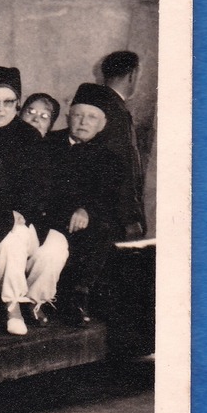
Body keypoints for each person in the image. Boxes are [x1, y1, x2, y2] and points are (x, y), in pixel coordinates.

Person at [0, 66, 65, 334]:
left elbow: (39, 190)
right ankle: (12, 307)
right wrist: (3, 216)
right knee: (12, 238)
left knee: (45, 245)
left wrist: (21, 212)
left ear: (17, 103)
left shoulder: (30, 137)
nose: (0, 109)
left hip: (23, 220)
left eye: (8, 102)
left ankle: (31, 302)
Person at [49, 83, 137, 324]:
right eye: (78, 115)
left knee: (104, 229)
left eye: (91, 117)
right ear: (68, 117)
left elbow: (109, 197)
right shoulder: (48, 144)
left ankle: (77, 296)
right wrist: (70, 210)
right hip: (51, 216)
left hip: (87, 222)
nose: (83, 122)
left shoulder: (110, 159)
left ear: (103, 123)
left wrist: (86, 210)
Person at [98, 50, 148, 236]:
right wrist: (130, 217)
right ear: (132, 75)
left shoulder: (100, 103)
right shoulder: (116, 111)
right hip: (111, 216)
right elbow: (119, 167)